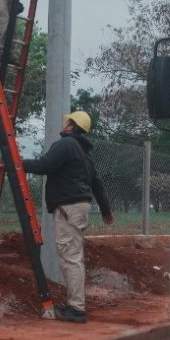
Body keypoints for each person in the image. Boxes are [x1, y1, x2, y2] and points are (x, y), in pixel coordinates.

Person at [22, 111, 114, 323]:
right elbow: (97, 184)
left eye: (67, 122)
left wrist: (20, 162)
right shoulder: (84, 153)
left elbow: (45, 165)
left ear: (72, 127)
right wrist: (106, 211)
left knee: (70, 257)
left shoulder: (67, 145)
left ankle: (76, 309)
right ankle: (75, 304)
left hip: (69, 207)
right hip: (78, 207)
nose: (63, 124)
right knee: (74, 256)